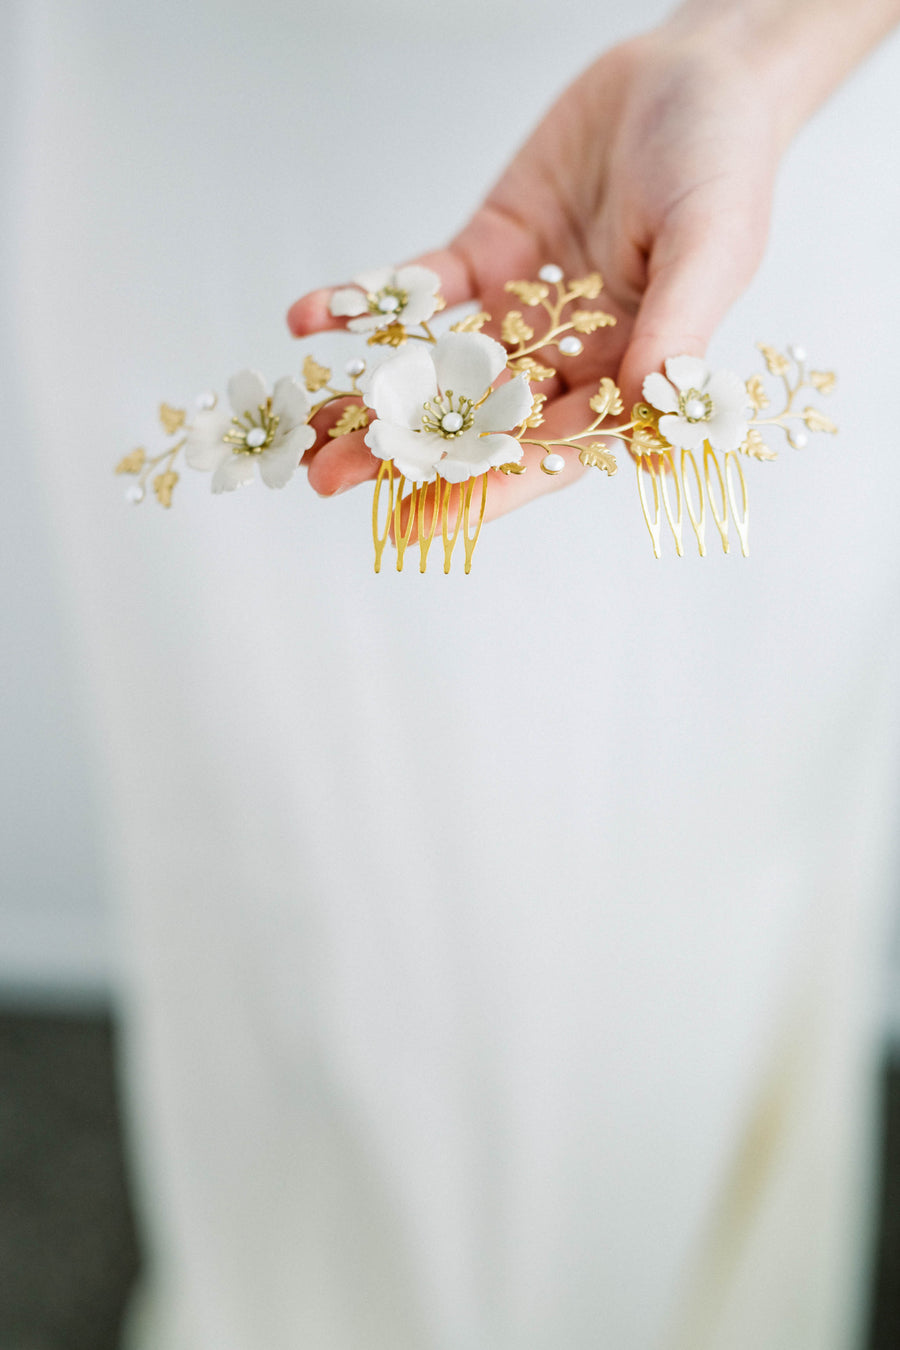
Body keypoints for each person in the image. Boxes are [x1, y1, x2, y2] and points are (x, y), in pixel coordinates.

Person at [10, 0, 900, 1347]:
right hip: (208, 122)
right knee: (315, 912)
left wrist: (751, 54)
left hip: (761, 127)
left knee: (700, 907)